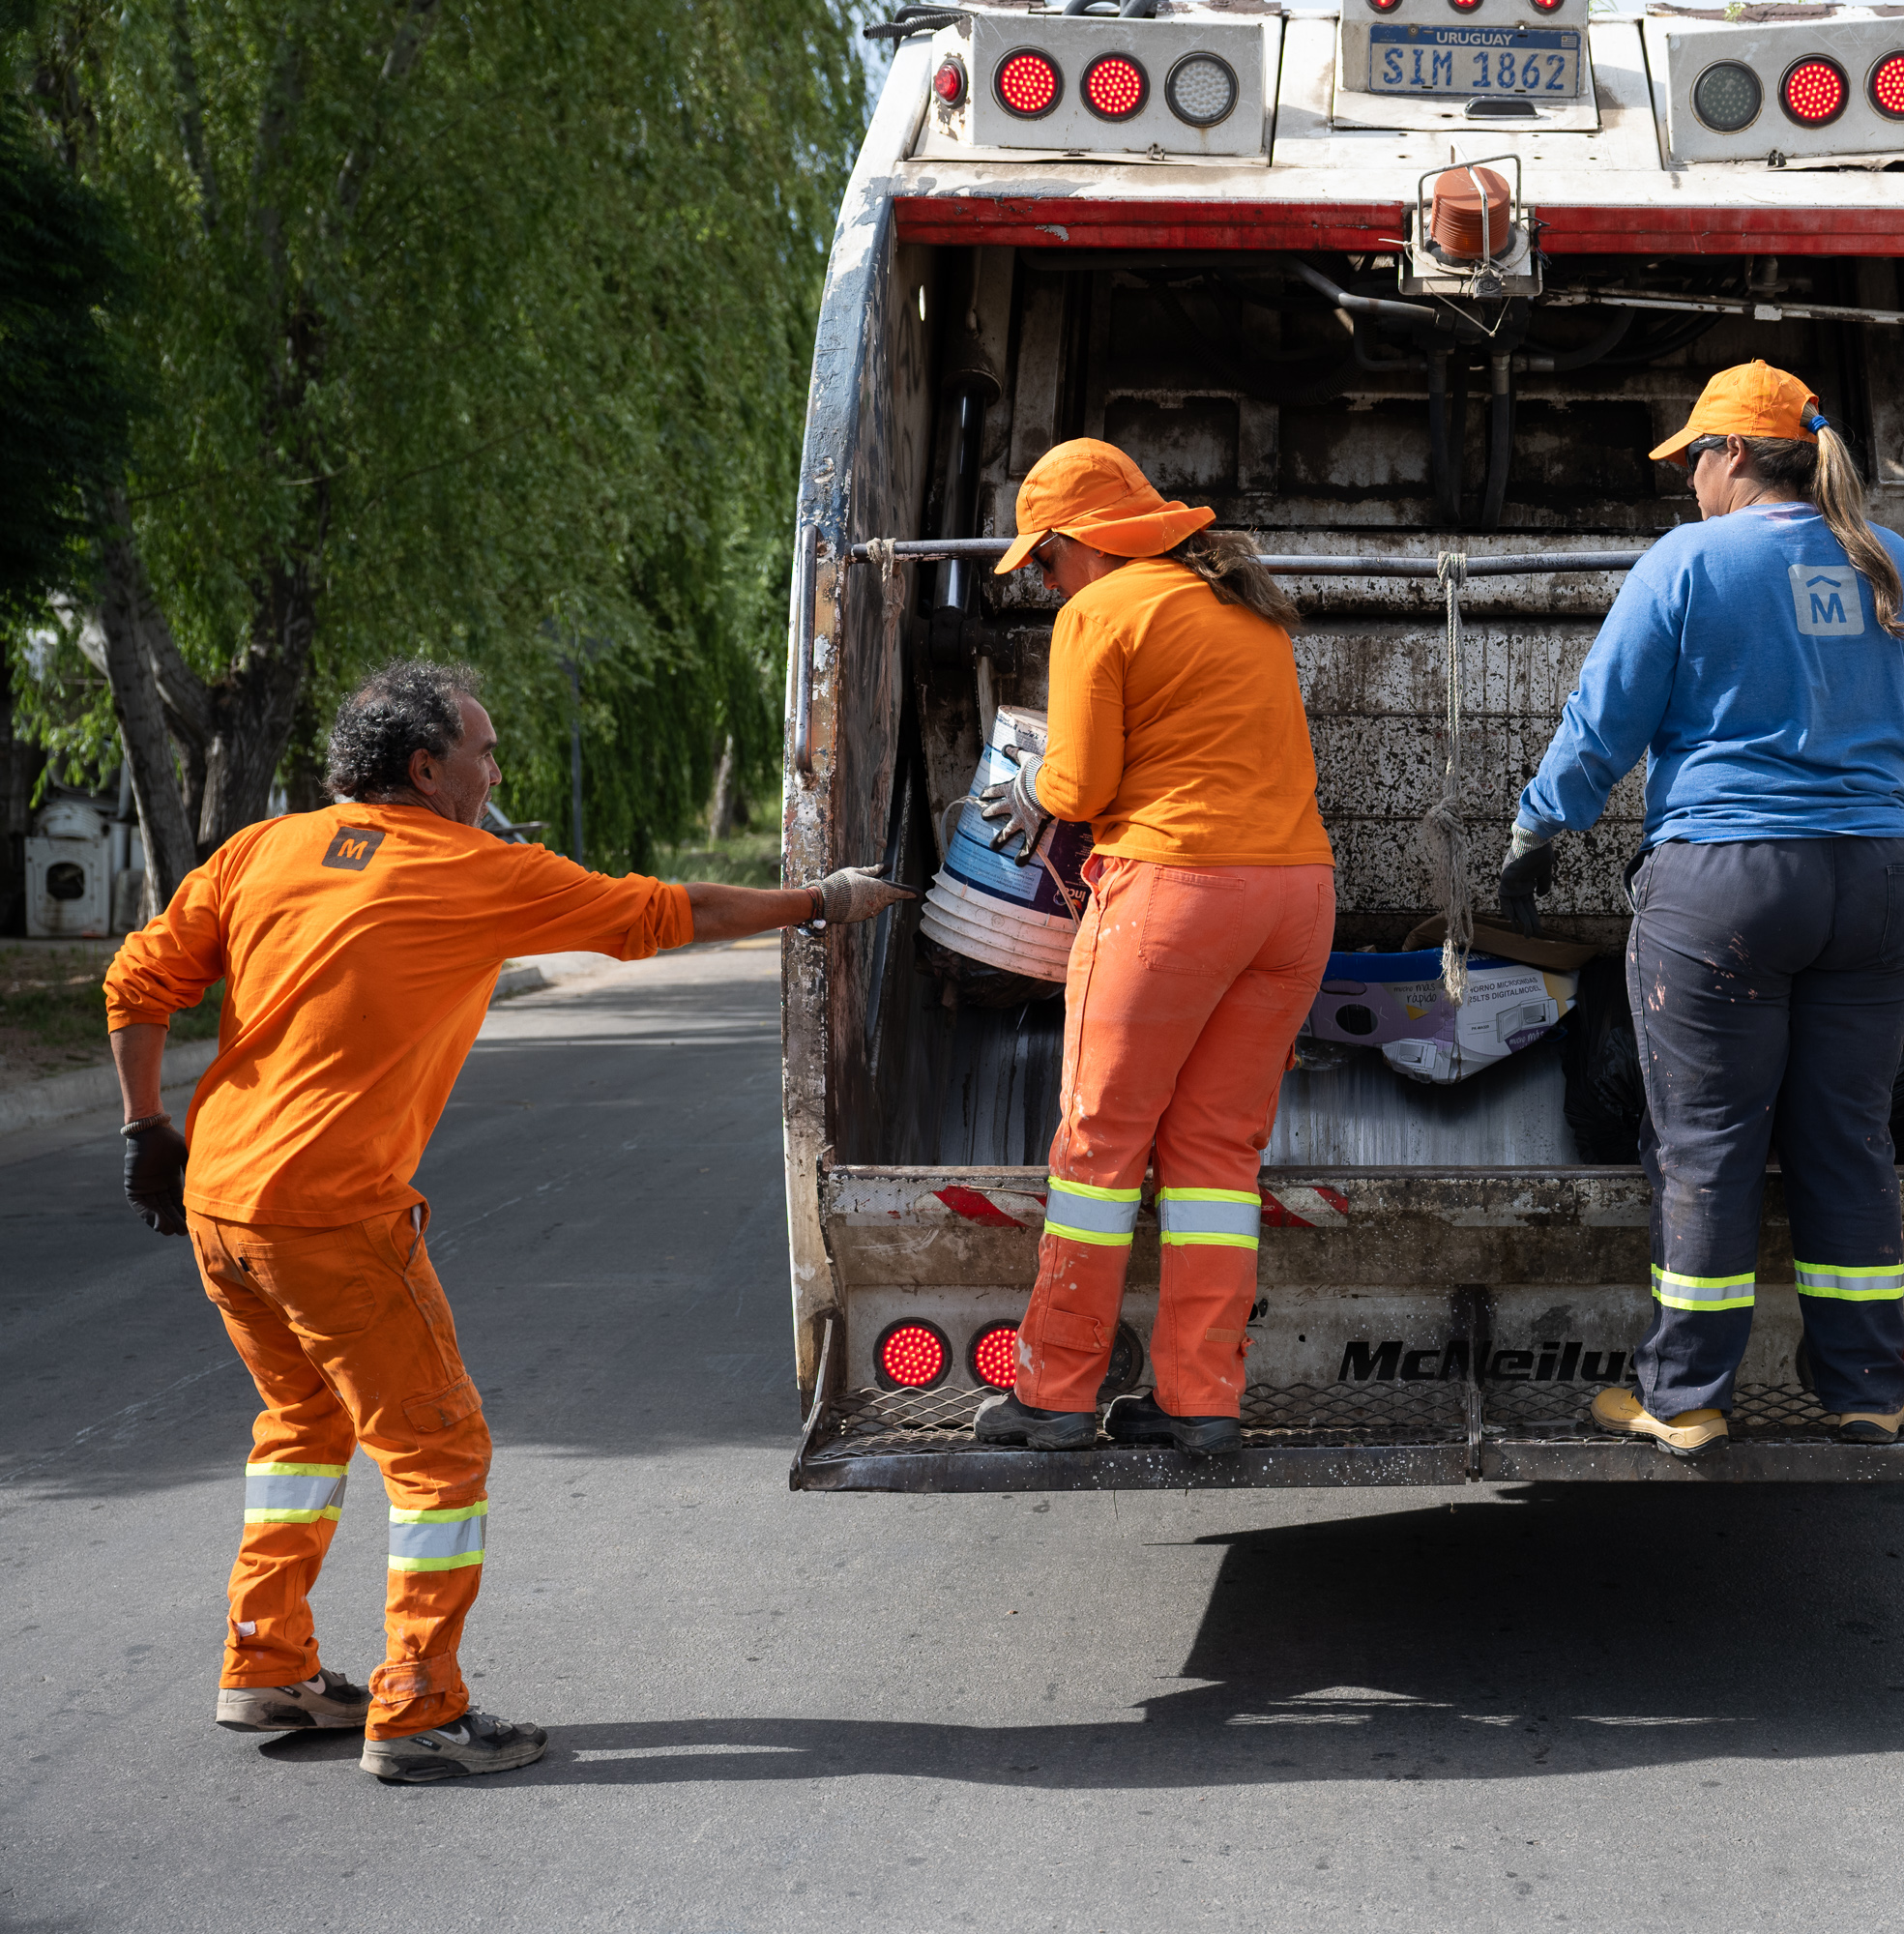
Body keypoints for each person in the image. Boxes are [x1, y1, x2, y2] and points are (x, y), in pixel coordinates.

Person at [103, 661, 914, 1782]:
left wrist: (145, 1129)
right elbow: (666, 912)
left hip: (220, 1204)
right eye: (484, 751)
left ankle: (265, 1657)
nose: (496, 771)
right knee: (439, 1454)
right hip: (333, 1215)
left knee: (302, 1422)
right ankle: (420, 1709)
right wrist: (820, 902)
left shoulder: (261, 849)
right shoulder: (471, 867)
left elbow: (137, 982)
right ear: (427, 768)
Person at [1501, 361, 1904, 1459]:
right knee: (1849, 1134)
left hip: (1733, 882)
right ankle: (1867, 1388)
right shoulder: (1891, 562)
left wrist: (1536, 831)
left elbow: (1606, 719)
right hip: (1883, 880)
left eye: (1694, 457)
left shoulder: (1689, 562)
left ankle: (1687, 1393)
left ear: (1735, 455)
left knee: (1708, 1141)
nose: (1688, 480)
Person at [969, 439, 1335, 1457]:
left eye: (1043, 562)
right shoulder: (1242, 605)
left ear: (1080, 541)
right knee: (1215, 1157)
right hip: (1296, 899)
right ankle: (1199, 1398)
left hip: (1175, 893)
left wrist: (1026, 789)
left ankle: (1054, 1392)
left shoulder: (1103, 609)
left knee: (1099, 1148)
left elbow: (1081, 789)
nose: (1045, 584)